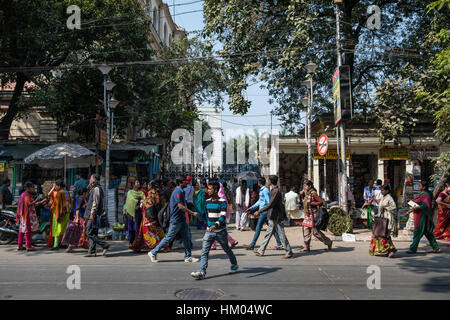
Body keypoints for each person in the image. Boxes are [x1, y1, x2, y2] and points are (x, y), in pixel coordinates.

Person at [191, 181, 239, 280]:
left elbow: (223, 216)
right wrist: (197, 215)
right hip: (209, 231)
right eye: (207, 189)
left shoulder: (222, 202)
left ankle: (234, 264)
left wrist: (216, 225)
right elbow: (207, 215)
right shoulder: (207, 201)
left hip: (220, 231)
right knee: (204, 251)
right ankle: (202, 271)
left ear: (216, 190)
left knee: (226, 249)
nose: (207, 191)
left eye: (209, 189)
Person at [148, 176, 200, 263]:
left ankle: (188, 256)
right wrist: (192, 213)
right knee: (169, 237)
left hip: (182, 219)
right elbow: (180, 206)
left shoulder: (181, 191)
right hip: (176, 219)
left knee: (186, 237)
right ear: (180, 183)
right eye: (184, 181)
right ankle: (153, 252)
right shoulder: (177, 192)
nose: (186, 183)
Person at [254, 175, 293, 259]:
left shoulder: (276, 191)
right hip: (272, 216)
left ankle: (289, 251)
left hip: (276, 216)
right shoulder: (273, 190)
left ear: (270, 181)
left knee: (281, 234)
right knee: (268, 233)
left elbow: (270, 204)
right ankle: (261, 250)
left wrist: (259, 211)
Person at [243, 177, 283, 251]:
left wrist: (260, 211)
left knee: (258, 228)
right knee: (272, 229)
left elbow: (269, 202)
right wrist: (251, 208)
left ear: (259, 183)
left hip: (264, 212)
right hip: (263, 211)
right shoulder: (262, 190)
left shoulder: (265, 191)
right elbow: (259, 201)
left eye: (258, 182)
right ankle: (279, 243)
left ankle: (252, 244)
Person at [405, 181, 441, 254]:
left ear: (424, 187)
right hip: (419, 215)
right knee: (428, 233)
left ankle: (412, 249)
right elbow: (417, 205)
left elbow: (425, 206)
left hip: (422, 217)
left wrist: (415, 208)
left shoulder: (426, 195)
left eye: (420, 185)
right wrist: (410, 211)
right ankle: (436, 248)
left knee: (417, 232)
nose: (418, 186)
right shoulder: (422, 194)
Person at [132, 181, 166, 252]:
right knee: (155, 229)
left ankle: (152, 244)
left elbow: (150, 202)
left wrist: (143, 202)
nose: (147, 186)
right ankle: (163, 244)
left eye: (148, 185)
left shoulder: (151, 192)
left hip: (148, 216)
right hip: (154, 214)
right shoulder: (158, 192)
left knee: (148, 230)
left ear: (151, 186)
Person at [300, 180, 333, 252]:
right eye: (304, 186)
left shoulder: (313, 193)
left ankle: (328, 242)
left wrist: (312, 203)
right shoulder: (307, 193)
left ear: (310, 186)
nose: (305, 187)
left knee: (315, 232)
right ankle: (306, 246)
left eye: (306, 186)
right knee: (306, 231)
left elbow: (321, 201)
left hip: (313, 215)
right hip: (307, 215)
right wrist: (302, 195)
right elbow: (304, 202)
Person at [369, 184, 398, 258]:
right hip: (382, 218)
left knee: (385, 235)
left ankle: (390, 250)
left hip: (388, 219)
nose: (381, 192)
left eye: (382, 190)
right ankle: (389, 250)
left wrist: (386, 208)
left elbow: (394, 207)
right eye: (381, 190)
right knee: (383, 235)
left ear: (387, 190)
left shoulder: (389, 198)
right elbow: (380, 206)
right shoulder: (383, 197)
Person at [84, 174, 110, 257]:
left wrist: (92, 213)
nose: (89, 180)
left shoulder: (96, 189)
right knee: (93, 232)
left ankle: (104, 245)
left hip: (93, 214)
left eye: (91, 178)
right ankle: (92, 251)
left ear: (94, 179)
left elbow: (95, 202)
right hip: (94, 214)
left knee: (89, 232)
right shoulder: (95, 188)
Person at [210, 182, 238, 250]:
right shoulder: (223, 195)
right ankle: (232, 241)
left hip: (219, 216)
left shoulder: (219, 196)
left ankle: (213, 245)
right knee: (219, 231)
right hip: (222, 215)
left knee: (216, 230)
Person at [16, 182, 40, 251]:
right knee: (27, 231)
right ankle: (28, 246)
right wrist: (36, 201)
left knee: (22, 230)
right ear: (28, 188)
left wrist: (39, 202)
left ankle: (20, 245)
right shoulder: (27, 195)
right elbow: (29, 204)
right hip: (27, 215)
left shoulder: (22, 195)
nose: (33, 189)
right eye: (32, 187)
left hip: (23, 215)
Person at [64, 188, 89, 253]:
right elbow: (77, 209)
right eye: (86, 193)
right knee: (77, 233)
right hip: (80, 219)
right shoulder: (81, 199)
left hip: (82, 218)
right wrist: (77, 218)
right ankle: (70, 246)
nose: (87, 194)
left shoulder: (81, 199)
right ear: (84, 193)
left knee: (78, 233)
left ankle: (87, 246)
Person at [123, 180, 146, 249]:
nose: (138, 183)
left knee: (137, 228)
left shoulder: (141, 193)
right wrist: (139, 201)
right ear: (133, 185)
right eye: (136, 182)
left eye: (138, 182)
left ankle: (138, 244)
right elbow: (131, 200)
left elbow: (144, 200)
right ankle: (131, 242)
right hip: (130, 212)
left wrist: (140, 205)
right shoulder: (130, 192)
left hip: (138, 212)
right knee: (130, 229)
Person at [49, 181, 70, 250]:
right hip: (66, 213)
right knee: (63, 228)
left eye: (56, 186)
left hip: (59, 213)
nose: (55, 188)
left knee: (57, 228)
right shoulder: (67, 192)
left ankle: (56, 245)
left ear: (59, 186)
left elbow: (57, 204)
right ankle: (63, 243)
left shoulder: (59, 193)